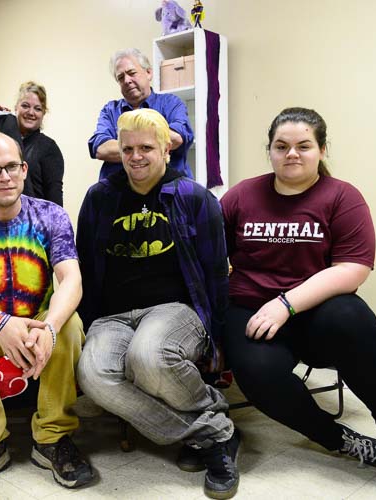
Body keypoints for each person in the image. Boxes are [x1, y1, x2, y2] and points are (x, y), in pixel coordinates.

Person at [221, 107, 376, 500]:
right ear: (270, 151)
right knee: (256, 371)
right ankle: (342, 441)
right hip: (249, 308)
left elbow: (354, 267)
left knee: (352, 316)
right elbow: (212, 254)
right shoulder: (243, 195)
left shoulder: (341, 196)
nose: (291, 154)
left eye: (303, 146)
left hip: (315, 312)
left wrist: (286, 303)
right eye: (281, 146)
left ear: (322, 149)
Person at [76, 108, 238, 499]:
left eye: (146, 147)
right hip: (112, 315)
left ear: (167, 149)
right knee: (94, 375)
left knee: (148, 357)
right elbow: (83, 265)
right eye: (128, 148)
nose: (135, 156)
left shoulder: (194, 198)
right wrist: (86, 325)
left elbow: (216, 271)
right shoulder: (99, 198)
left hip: (174, 309)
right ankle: (214, 432)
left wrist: (218, 342)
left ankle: (207, 433)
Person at [0, 132, 93, 495]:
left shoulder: (51, 216)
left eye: (11, 167)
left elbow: (71, 278)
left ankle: (53, 438)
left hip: (39, 320)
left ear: (24, 170)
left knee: (71, 325)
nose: (4, 176)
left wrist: (51, 327)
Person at [88, 48, 194, 180]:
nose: (127, 80)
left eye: (132, 73)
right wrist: (152, 144)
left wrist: (126, 146)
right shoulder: (110, 110)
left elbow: (177, 138)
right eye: (121, 77)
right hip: (117, 194)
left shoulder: (171, 103)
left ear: (148, 73)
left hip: (167, 191)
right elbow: (101, 149)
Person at [0, 81, 64, 205]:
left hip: (35, 220)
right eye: (25, 106)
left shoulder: (49, 148)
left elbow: (54, 197)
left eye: (37, 109)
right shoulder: (1, 138)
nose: (31, 112)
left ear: (43, 113)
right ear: (16, 108)